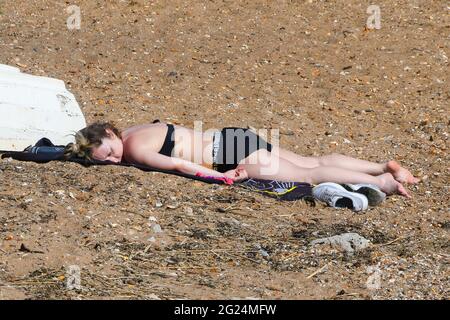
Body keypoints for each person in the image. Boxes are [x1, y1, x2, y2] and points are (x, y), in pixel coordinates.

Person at [64, 121, 419, 197]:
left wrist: (223, 178)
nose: (113, 161)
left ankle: (382, 182)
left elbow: (180, 165)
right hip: (232, 136)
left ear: (109, 135)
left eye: (109, 153)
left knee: (310, 175)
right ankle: (382, 166)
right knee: (313, 160)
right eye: (104, 162)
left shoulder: (137, 150)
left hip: (229, 153)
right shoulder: (134, 130)